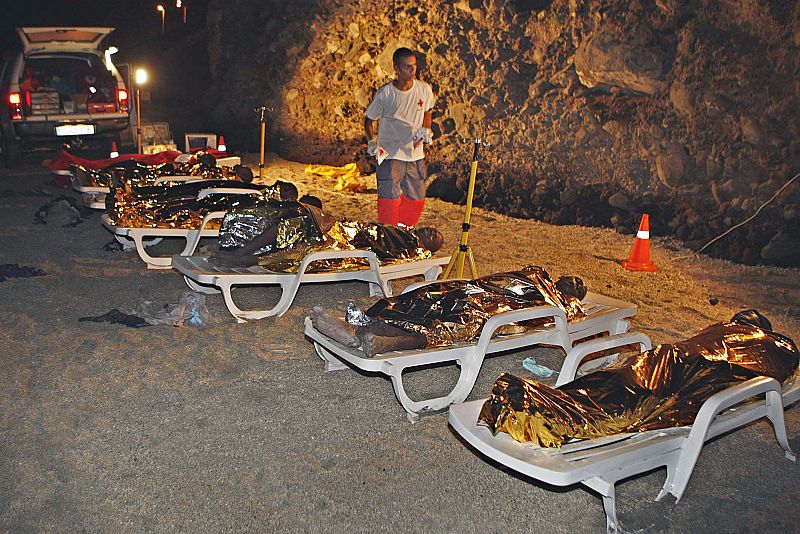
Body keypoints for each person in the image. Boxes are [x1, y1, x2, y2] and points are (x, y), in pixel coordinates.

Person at [479, 310, 799, 448]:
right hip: (670, 359)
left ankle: (543, 409)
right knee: (620, 382)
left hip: (680, 365)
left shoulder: (762, 343)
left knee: (629, 392)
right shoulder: (744, 339)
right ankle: (543, 405)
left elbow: (759, 366)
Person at [309, 266, 587, 357]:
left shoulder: (564, 303)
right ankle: (362, 326)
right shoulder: (536, 273)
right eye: (573, 278)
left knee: (443, 326)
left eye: (577, 286)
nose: (573, 282)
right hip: (471, 289)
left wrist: (564, 300)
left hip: (489, 308)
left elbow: (557, 316)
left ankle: (378, 340)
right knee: (421, 299)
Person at [211, 198, 445, 270]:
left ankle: (246, 258)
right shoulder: (403, 231)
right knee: (297, 220)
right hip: (345, 229)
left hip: (350, 243)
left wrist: (369, 242)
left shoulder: (411, 247)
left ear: (428, 247)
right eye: (432, 229)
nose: (430, 231)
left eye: (433, 236)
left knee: (305, 250)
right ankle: (241, 251)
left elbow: (384, 251)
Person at [364, 47, 436, 227]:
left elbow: (427, 111)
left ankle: (404, 232)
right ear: (396, 68)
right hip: (390, 154)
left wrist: (425, 129)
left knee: (416, 198)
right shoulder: (386, 94)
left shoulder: (424, 89)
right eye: (406, 67)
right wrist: (372, 142)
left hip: (415, 154)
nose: (412, 71)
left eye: (414, 66)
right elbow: (369, 120)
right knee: (389, 197)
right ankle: (389, 235)